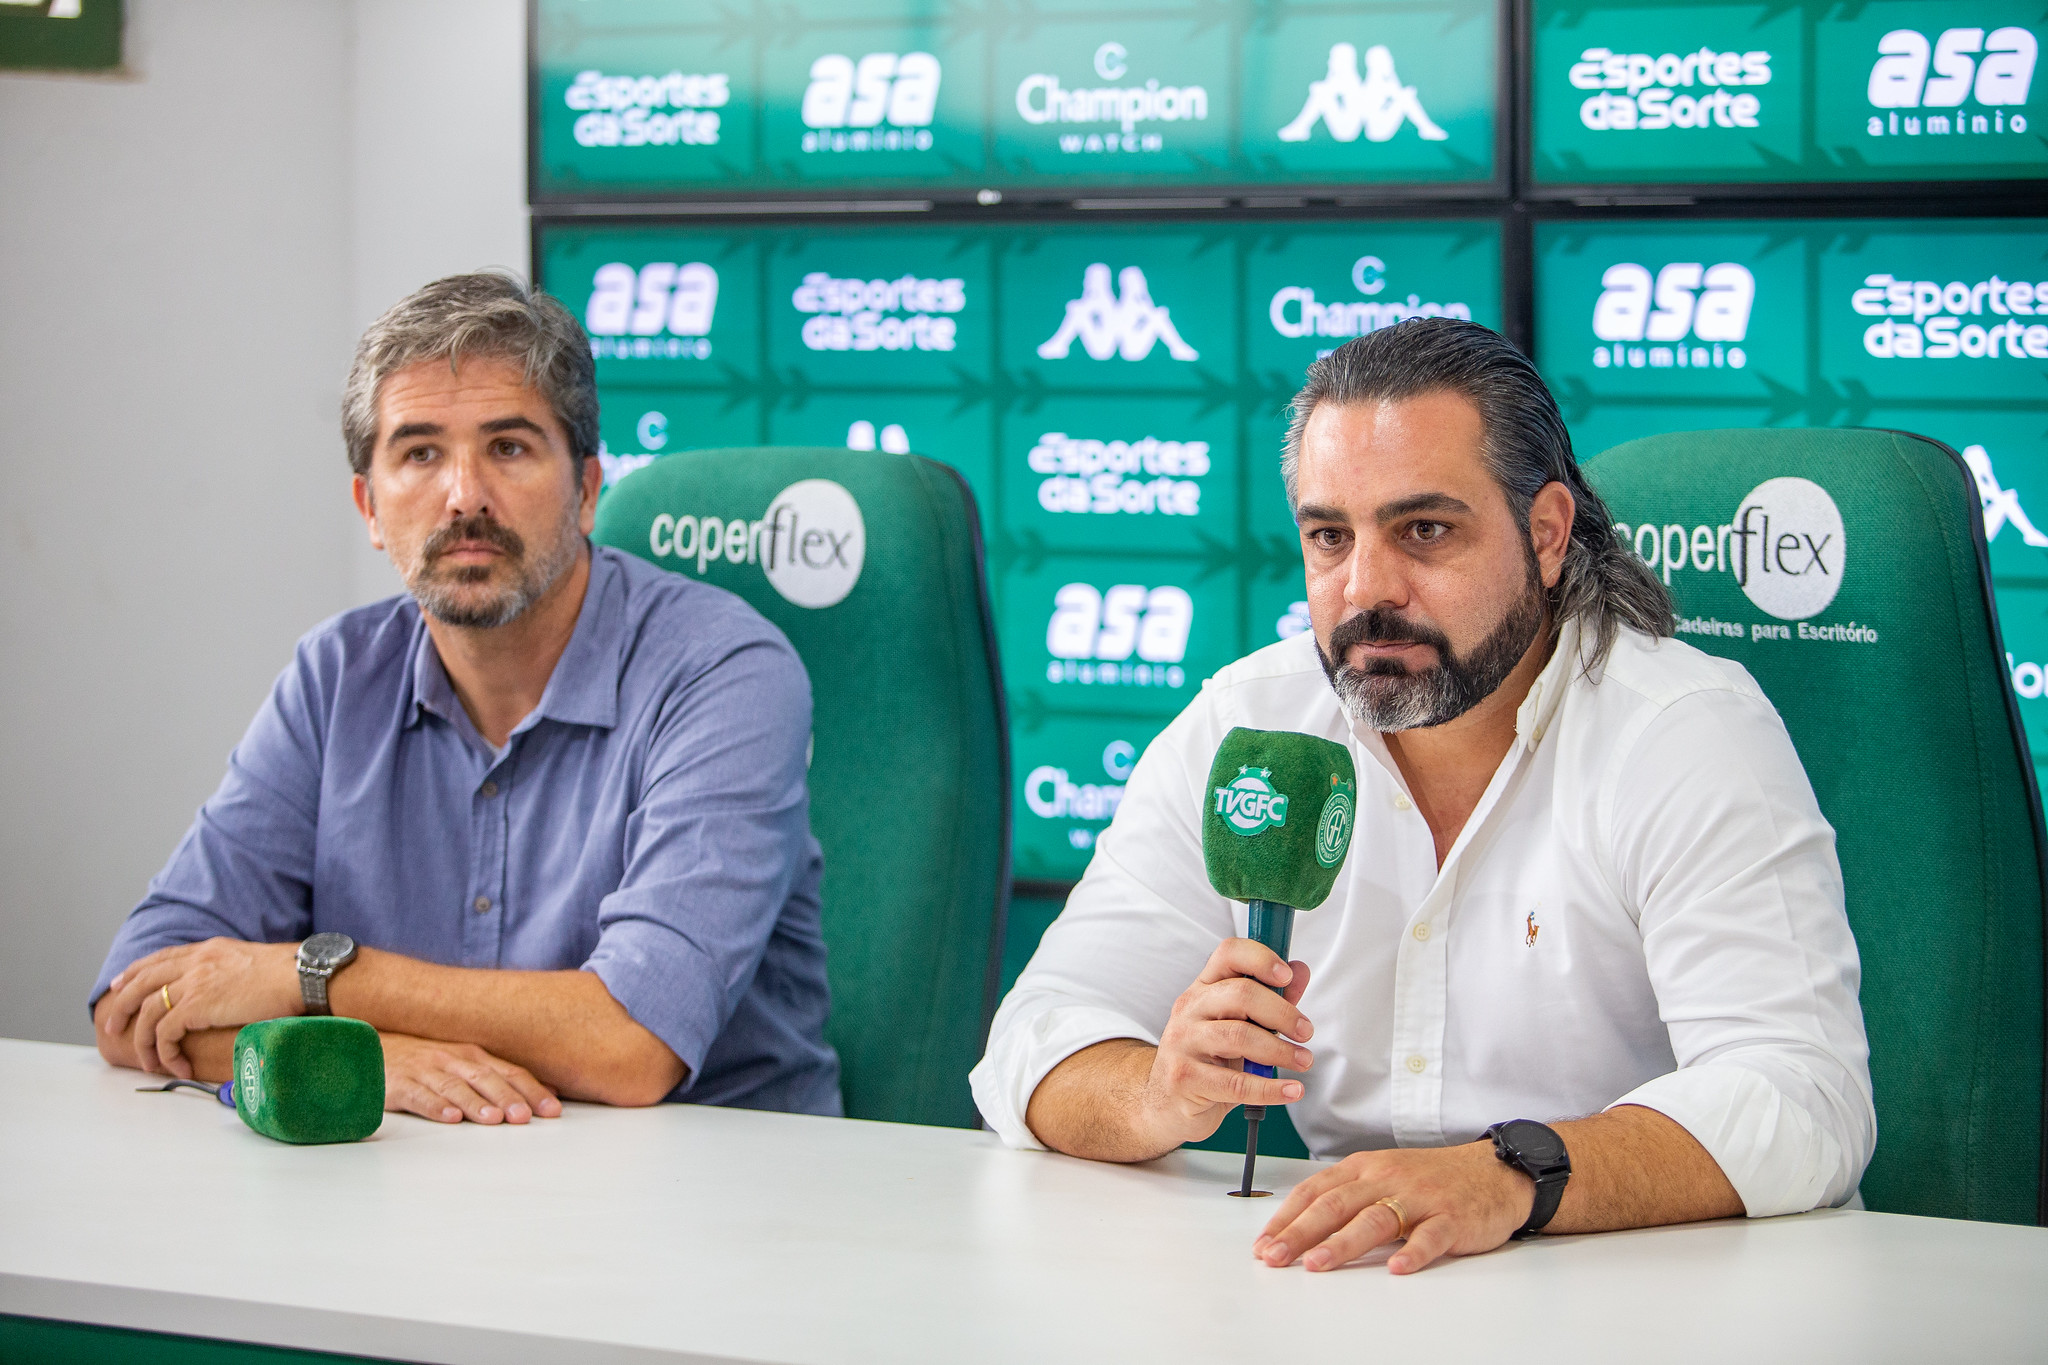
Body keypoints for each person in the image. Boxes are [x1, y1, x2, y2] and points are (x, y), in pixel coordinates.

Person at [970, 318, 1872, 1274]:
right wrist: (1157, 1092)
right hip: (1355, 1294)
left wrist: (1507, 1175)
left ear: (1548, 532)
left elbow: (1801, 1097)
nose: (1366, 588)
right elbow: (1033, 1039)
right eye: (1329, 537)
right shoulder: (1251, 726)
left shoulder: (1683, 731)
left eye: (1425, 530)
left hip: (1654, 1296)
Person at [91, 272, 840, 1123]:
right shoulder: (334, 676)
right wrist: (372, 1055)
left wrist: (316, 976)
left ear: (589, 490)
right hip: (418, 1192)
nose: (464, 496)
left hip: (715, 1202)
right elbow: (134, 1001)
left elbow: (632, 1043)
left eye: (509, 447)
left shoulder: (722, 668)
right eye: (419, 453)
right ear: (370, 508)